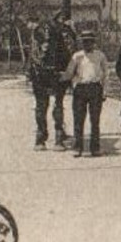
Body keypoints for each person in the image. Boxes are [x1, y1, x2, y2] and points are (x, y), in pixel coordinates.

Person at [63, 30, 109, 157]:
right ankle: (78, 147)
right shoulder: (77, 56)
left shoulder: (100, 56)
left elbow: (106, 74)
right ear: (81, 43)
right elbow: (69, 73)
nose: (87, 44)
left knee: (95, 120)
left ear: (94, 42)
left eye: (89, 41)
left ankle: (95, 148)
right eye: (84, 41)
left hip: (95, 88)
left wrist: (104, 91)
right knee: (78, 119)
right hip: (81, 89)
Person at [32, 16, 74, 150]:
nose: (46, 45)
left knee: (57, 104)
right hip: (39, 72)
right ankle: (41, 137)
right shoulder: (38, 38)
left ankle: (57, 136)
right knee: (41, 105)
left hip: (56, 70)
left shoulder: (62, 34)